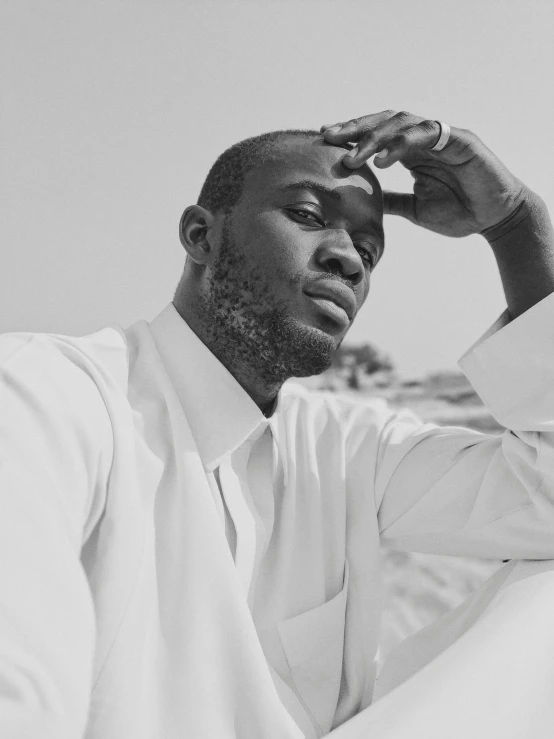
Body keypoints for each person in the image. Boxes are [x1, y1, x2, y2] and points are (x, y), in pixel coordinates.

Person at [1, 109, 553, 739]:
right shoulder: (42, 396)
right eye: (309, 217)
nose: (348, 260)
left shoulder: (348, 449)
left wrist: (515, 224)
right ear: (201, 237)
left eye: (369, 252)